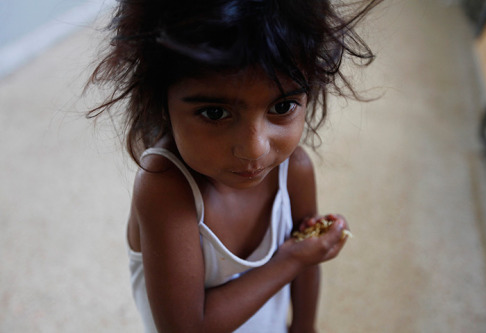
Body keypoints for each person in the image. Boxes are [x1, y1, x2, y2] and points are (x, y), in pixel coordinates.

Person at [86, 0, 380, 332]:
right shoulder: (165, 189)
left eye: (282, 106)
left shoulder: (294, 169)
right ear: (161, 101)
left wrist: (304, 326)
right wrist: (294, 258)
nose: (255, 149)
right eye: (215, 113)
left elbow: (307, 271)